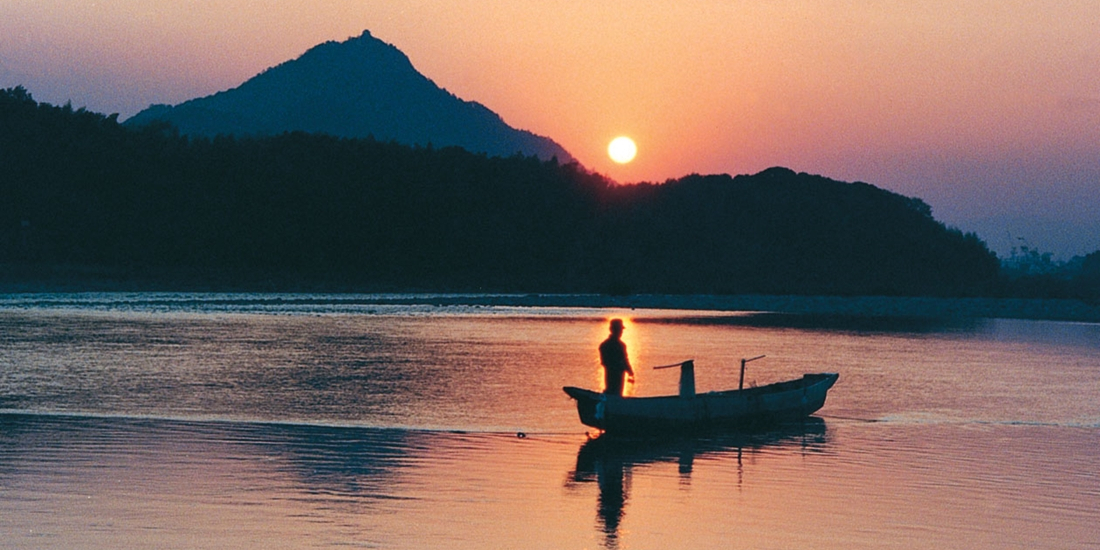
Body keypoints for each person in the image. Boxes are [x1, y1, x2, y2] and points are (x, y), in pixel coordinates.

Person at [598, 319, 634, 396]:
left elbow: (625, 359)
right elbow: (605, 361)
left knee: (616, 392)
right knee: (613, 391)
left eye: (621, 330)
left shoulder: (618, 345)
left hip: (619, 373)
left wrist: (629, 370)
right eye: (619, 330)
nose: (621, 332)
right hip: (613, 372)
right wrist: (627, 369)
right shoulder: (607, 345)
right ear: (612, 330)